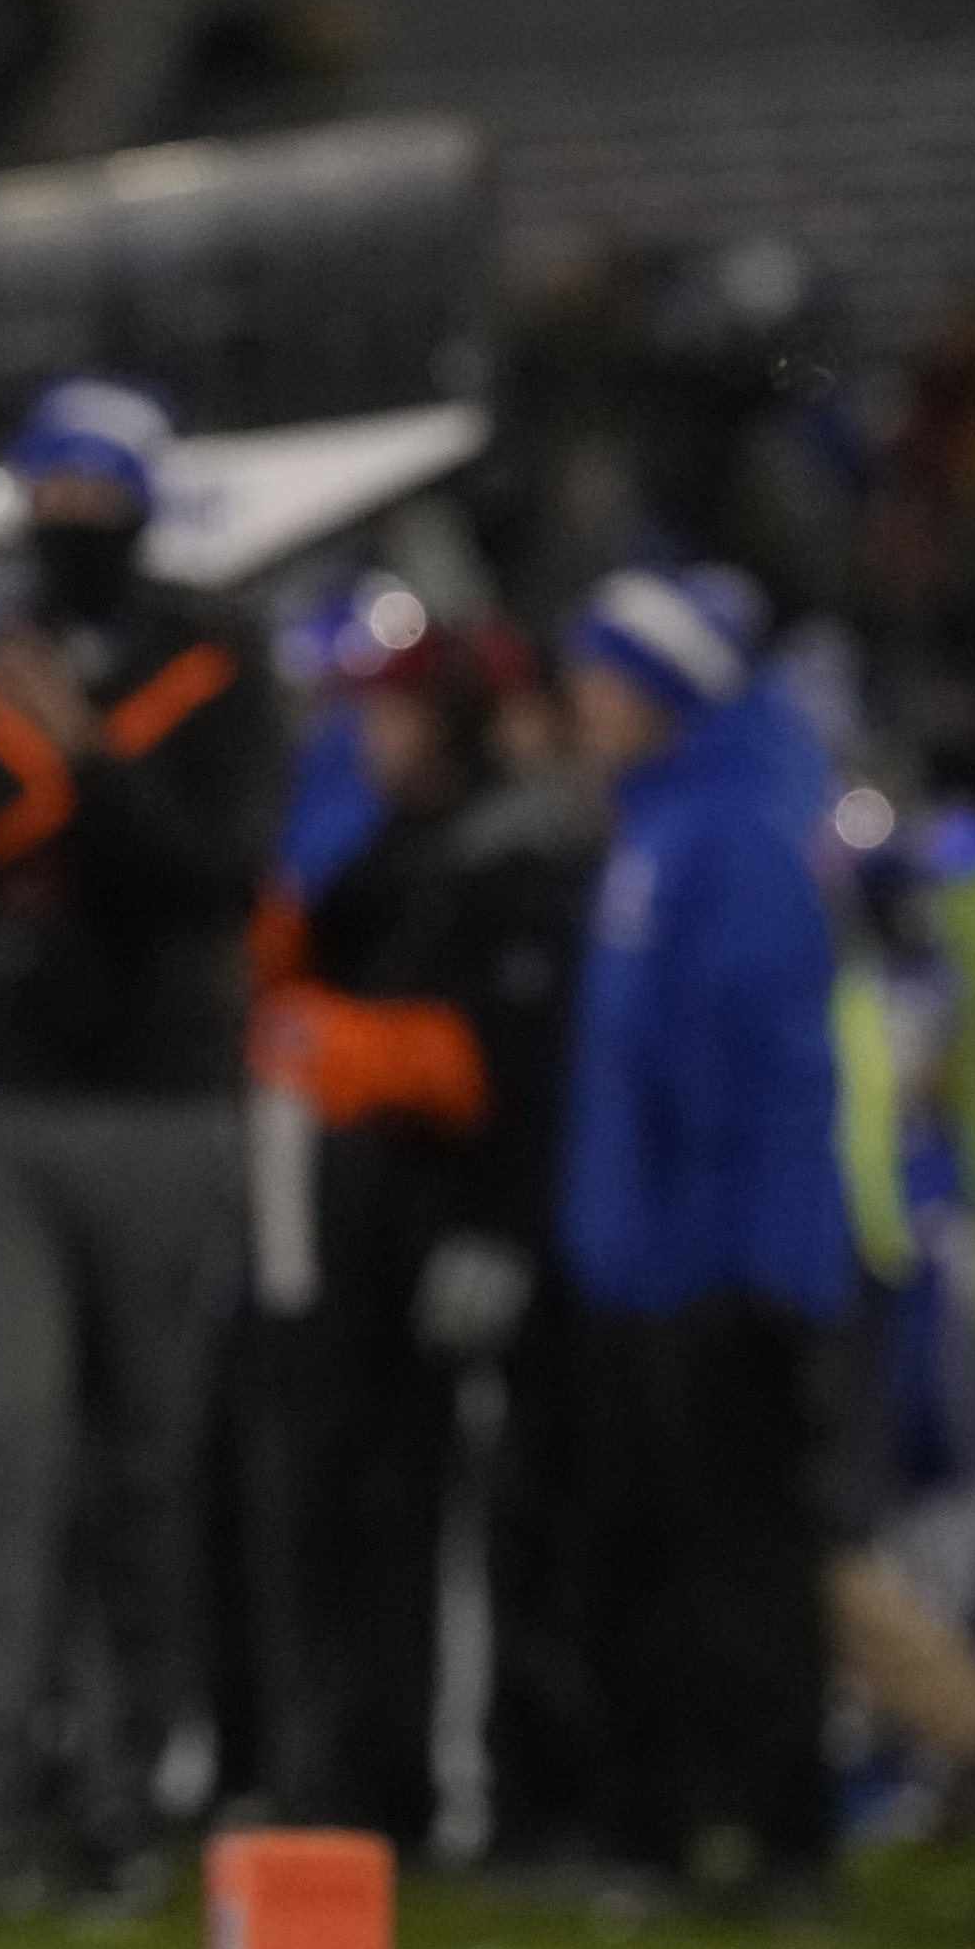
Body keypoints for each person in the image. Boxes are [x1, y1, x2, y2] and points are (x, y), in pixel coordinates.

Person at [0, 381, 282, 1917]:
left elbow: (213, 882)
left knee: (142, 1464)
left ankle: (129, 1790)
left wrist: (78, 761)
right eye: (51, 497)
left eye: (96, 498)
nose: (70, 523)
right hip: (0, 1107)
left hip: (161, 1103)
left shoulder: (219, 657)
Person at [236, 598, 585, 1850]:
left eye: (386, 705)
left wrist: (488, 1224)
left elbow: (509, 1066)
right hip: (354, 1242)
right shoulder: (380, 844)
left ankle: (467, 1784)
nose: (364, 730)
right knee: (346, 1513)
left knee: (451, 1532)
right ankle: (359, 1777)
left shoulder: (517, 856)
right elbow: (281, 985)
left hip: (453, 1229)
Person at [556, 567, 856, 1904]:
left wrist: (733, 1253)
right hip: (646, 1251)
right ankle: (672, 1817)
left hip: (714, 1257)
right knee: (656, 1550)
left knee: (738, 1551)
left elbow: (750, 1068)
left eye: (607, 680)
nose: (584, 705)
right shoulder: (659, 822)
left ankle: (778, 1827)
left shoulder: (732, 829)